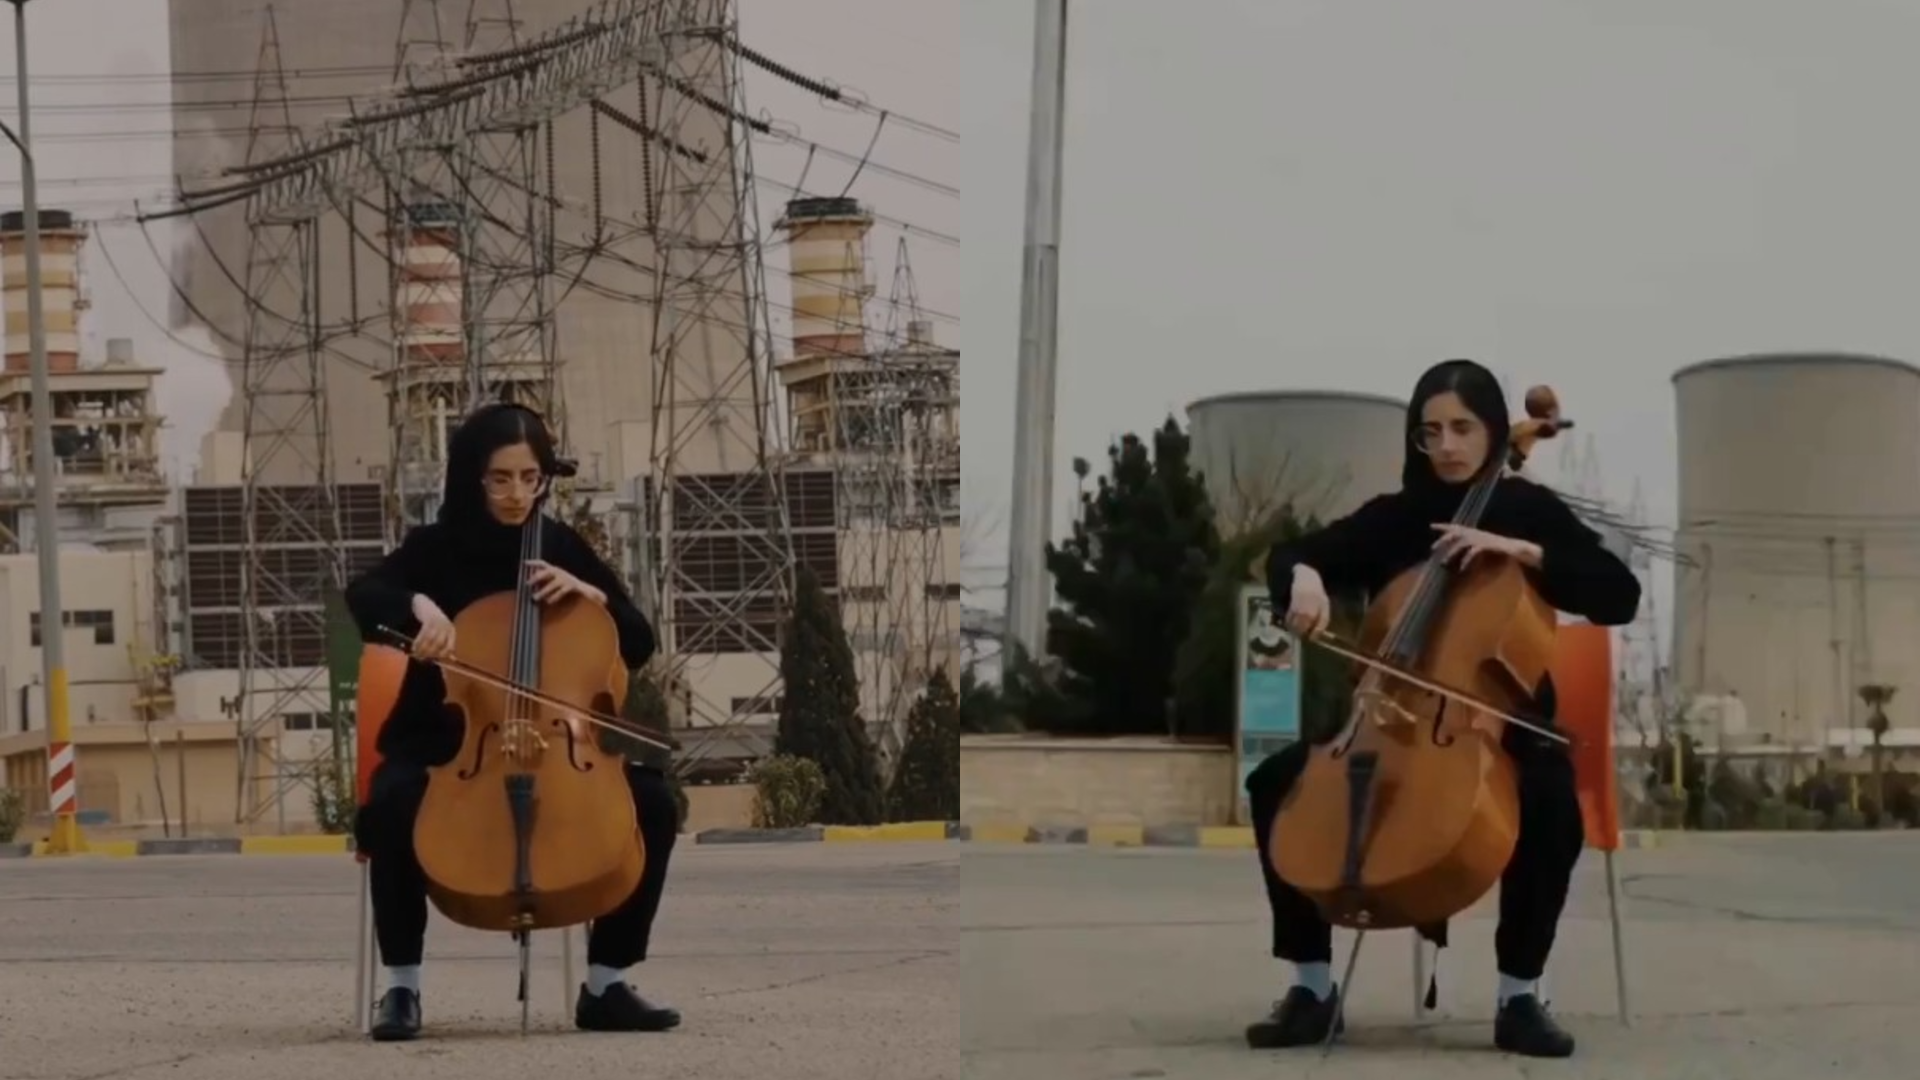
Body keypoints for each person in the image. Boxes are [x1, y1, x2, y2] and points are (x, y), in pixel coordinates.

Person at [1244, 359, 1640, 1059]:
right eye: (1431, 432)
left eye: (1463, 427)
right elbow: (1298, 553)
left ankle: (1520, 995)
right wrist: (1301, 575)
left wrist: (1517, 548)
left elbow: (1617, 593)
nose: (1448, 445)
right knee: (1276, 782)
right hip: (1386, 717)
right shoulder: (1395, 518)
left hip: (1503, 726)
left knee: (1550, 803)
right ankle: (1311, 988)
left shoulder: (1527, 509)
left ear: (1493, 431)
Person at [344, 402, 683, 1042]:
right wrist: (419, 606)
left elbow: (637, 641)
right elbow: (365, 596)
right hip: (449, 745)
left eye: (531, 478)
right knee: (392, 805)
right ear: (472, 477)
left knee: (653, 805)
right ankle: (402, 988)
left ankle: (607, 984)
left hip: (559, 754)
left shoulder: (556, 546)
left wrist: (593, 596)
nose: (517, 494)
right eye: (501, 479)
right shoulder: (436, 546)